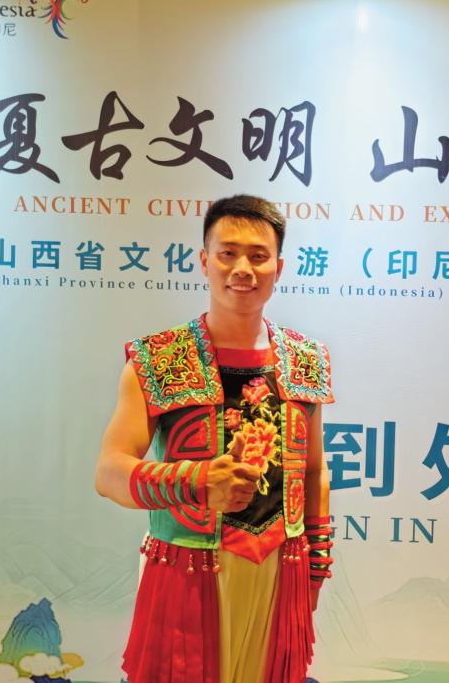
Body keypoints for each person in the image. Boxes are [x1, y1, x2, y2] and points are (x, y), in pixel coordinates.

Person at [95, 195, 334, 683]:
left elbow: (313, 472)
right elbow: (109, 472)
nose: (242, 268)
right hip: (186, 570)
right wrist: (198, 481)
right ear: (204, 261)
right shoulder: (159, 358)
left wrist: (316, 569)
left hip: (282, 569)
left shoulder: (305, 359)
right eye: (228, 253)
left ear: (279, 267)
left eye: (258, 256)